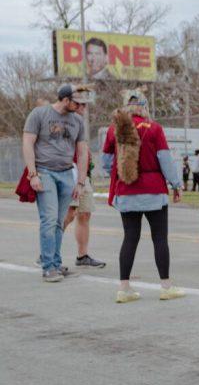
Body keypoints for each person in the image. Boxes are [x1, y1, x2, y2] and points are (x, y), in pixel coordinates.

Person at [101, 89, 185, 302]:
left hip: (127, 190)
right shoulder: (154, 128)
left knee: (130, 237)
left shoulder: (114, 130)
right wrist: (176, 184)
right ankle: (166, 286)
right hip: (154, 191)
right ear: (144, 107)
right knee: (159, 238)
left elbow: (106, 162)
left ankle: (124, 288)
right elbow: (164, 159)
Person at [23, 84, 89, 282]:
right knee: (49, 220)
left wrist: (81, 182)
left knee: (59, 223)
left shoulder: (78, 121)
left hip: (67, 174)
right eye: (77, 103)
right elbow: (27, 142)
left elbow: (83, 151)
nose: (80, 107)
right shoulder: (39, 114)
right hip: (44, 173)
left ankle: (57, 264)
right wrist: (32, 174)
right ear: (65, 99)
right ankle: (48, 267)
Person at [60, 84, 106, 269]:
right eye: (80, 104)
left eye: (85, 105)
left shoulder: (79, 122)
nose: (84, 108)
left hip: (82, 174)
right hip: (68, 172)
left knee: (84, 214)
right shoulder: (62, 120)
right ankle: (48, 252)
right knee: (68, 214)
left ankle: (82, 255)